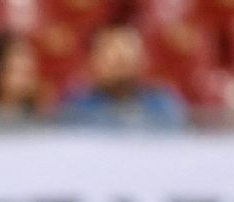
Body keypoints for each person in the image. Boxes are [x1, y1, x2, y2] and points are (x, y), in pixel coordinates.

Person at [57, 23, 187, 130]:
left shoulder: (161, 104)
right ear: (94, 61)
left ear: (142, 59)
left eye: (128, 54)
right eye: (113, 56)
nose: (121, 59)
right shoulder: (77, 108)